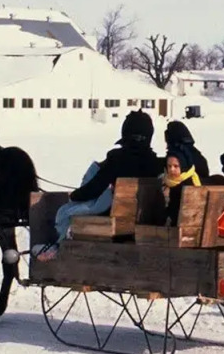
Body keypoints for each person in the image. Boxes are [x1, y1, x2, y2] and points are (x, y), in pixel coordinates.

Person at [39, 109, 162, 257]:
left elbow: (94, 188)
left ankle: (57, 245)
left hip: (114, 220)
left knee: (66, 212)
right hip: (145, 221)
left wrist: (76, 195)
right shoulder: (156, 163)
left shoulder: (117, 159)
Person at [161, 145, 202, 222]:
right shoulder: (168, 181)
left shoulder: (189, 182)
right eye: (169, 166)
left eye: (176, 166)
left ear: (183, 166)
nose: (172, 169)